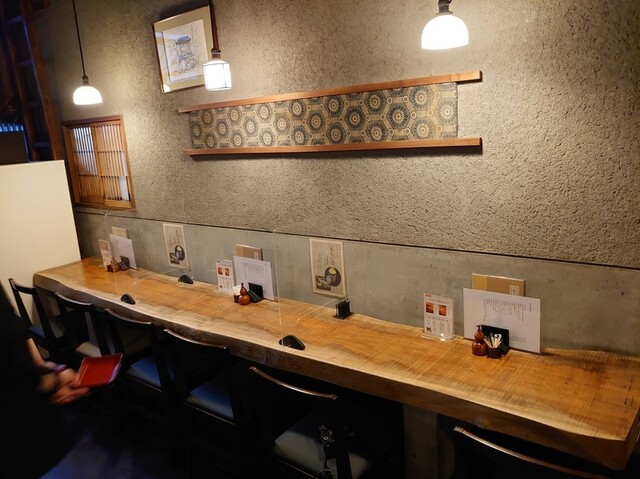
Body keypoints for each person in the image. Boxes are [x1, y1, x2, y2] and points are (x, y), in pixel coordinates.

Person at [0, 284, 89, 478]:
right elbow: (13, 364)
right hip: (17, 429)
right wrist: (54, 381)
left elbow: (14, 327)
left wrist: (45, 365)